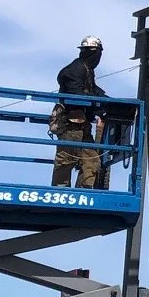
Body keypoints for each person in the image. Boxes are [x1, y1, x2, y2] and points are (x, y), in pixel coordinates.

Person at [50, 36, 105, 189]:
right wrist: (98, 102)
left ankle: (85, 192)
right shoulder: (75, 70)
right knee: (66, 161)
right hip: (70, 126)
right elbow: (76, 95)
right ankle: (60, 193)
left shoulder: (87, 71)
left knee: (92, 161)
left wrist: (109, 103)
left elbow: (93, 92)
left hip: (83, 127)